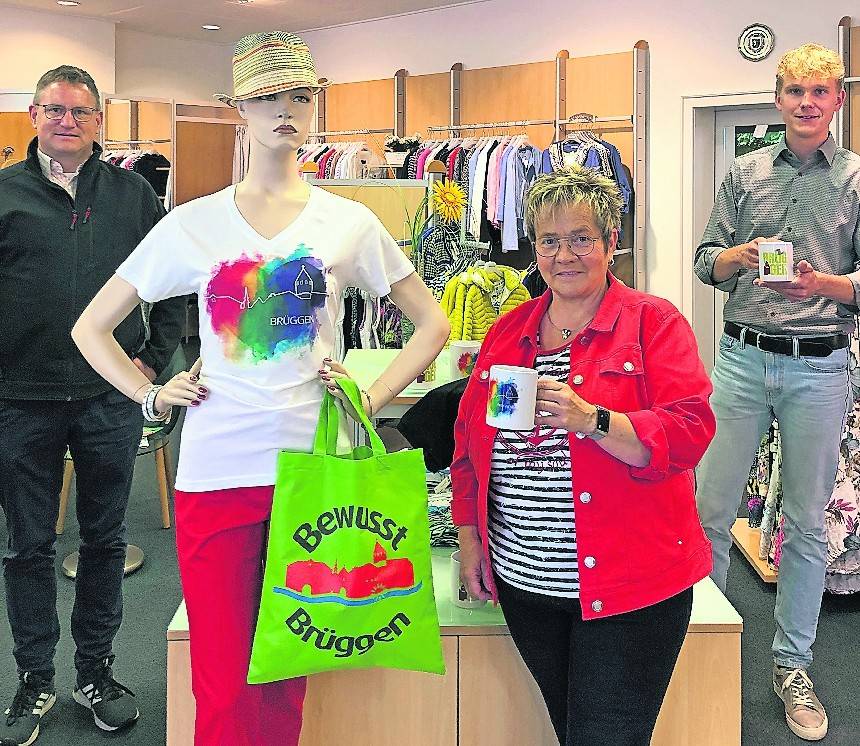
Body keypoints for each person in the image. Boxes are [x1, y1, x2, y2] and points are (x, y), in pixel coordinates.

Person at [72, 31, 449, 746]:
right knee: (223, 671)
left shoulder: (348, 222)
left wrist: (369, 397)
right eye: (268, 96)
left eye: (299, 95)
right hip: (219, 469)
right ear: (239, 108)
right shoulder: (193, 224)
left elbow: (430, 323)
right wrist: (150, 396)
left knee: (289, 663)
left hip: (316, 468)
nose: (285, 109)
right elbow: (92, 328)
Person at [452, 165, 715, 746]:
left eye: (581, 239)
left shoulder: (654, 323)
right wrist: (471, 538)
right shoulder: (509, 332)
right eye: (549, 240)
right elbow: (469, 447)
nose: (564, 255)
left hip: (631, 590)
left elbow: (690, 430)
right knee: (576, 732)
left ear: (610, 243)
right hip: (528, 587)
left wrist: (593, 420)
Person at [0, 65, 184, 745]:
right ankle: (35, 679)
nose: (66, 120)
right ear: (33, 116)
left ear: (100, 120)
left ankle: (97, 672)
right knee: (27, 548)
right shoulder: (5, 195)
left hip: (110, 400)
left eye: (79, 111)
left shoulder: (134, 195)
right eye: (53, 109)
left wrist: (150, 361)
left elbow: (173, 288)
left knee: (105, 541)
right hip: (23, 400)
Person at [694, 43, 860, 742]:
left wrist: (818, 284)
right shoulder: (743, 171)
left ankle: (791, 665)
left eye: (821, 91)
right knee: (708, 509)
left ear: (838, 100)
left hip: (820, 367)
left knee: (805, 524)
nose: (807, 102)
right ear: (778, 97)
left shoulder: (856, 180)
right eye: (795, 90)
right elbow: (708, 262)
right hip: (741, 360)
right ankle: (694, 643)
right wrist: (738, 256)